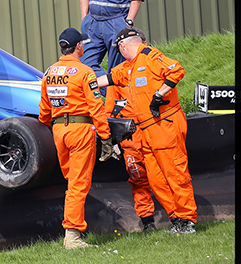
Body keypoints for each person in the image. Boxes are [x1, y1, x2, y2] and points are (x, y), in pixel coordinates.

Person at [96, 27, 198, 234]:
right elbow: (108, 79)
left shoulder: (150, 56)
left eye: (119, 49)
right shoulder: (128, 67)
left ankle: (187, 219)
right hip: (148, 131)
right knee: (156, 179)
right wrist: (80, 84)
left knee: (175, 173)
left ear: (124, 46)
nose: (119, 52)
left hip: (165, 124)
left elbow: (176, 69)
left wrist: (160, 94)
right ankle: (177, 219)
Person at [38, 28, 114, 249]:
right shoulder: (85, 72)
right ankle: (72, 236)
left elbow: (44, 109)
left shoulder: (49, 72)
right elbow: (96, 107)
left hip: (58, 131)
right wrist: (106, 137)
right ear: (79, 46)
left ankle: (71, 233)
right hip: (81, 131)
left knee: (71, 182)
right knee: (78, 184)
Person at [104, 29, 157, 232]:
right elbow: (110, 110)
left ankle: (178, 218)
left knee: (161, 176)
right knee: (138, 179)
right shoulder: (118, 73)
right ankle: (148, 222)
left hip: (154, 132)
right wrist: (114, 141)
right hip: (130, 137)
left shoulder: (154, 66)